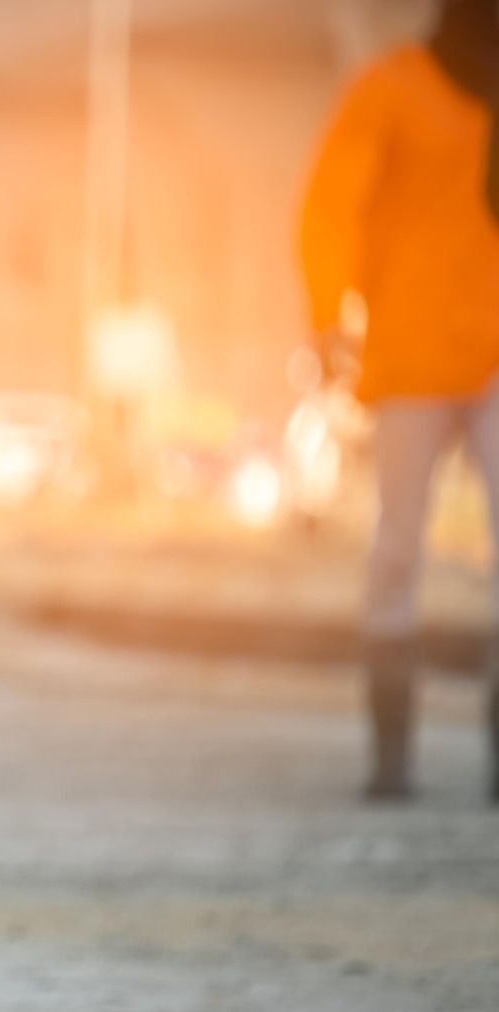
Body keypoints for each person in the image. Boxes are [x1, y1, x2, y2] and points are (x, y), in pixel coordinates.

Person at [299, 0, 499, 800]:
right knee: (397, 553)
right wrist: (327, 314)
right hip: (411, 358)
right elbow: (330, 204)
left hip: (494, 357)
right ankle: (391, 761)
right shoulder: (390, 89)